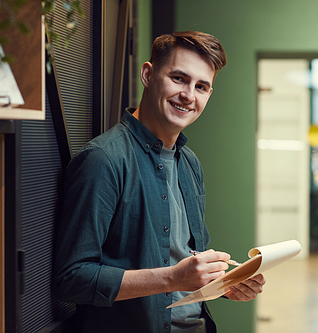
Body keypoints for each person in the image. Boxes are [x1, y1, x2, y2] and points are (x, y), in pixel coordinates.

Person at [52, 31, 266, 332]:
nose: (189, 95)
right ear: (148, 75)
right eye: (179, 78)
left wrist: (224, 283)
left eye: (201, 86)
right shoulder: (103, 160)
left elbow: (181, 259)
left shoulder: (189, 162)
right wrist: (172, 278)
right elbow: (71, 279)